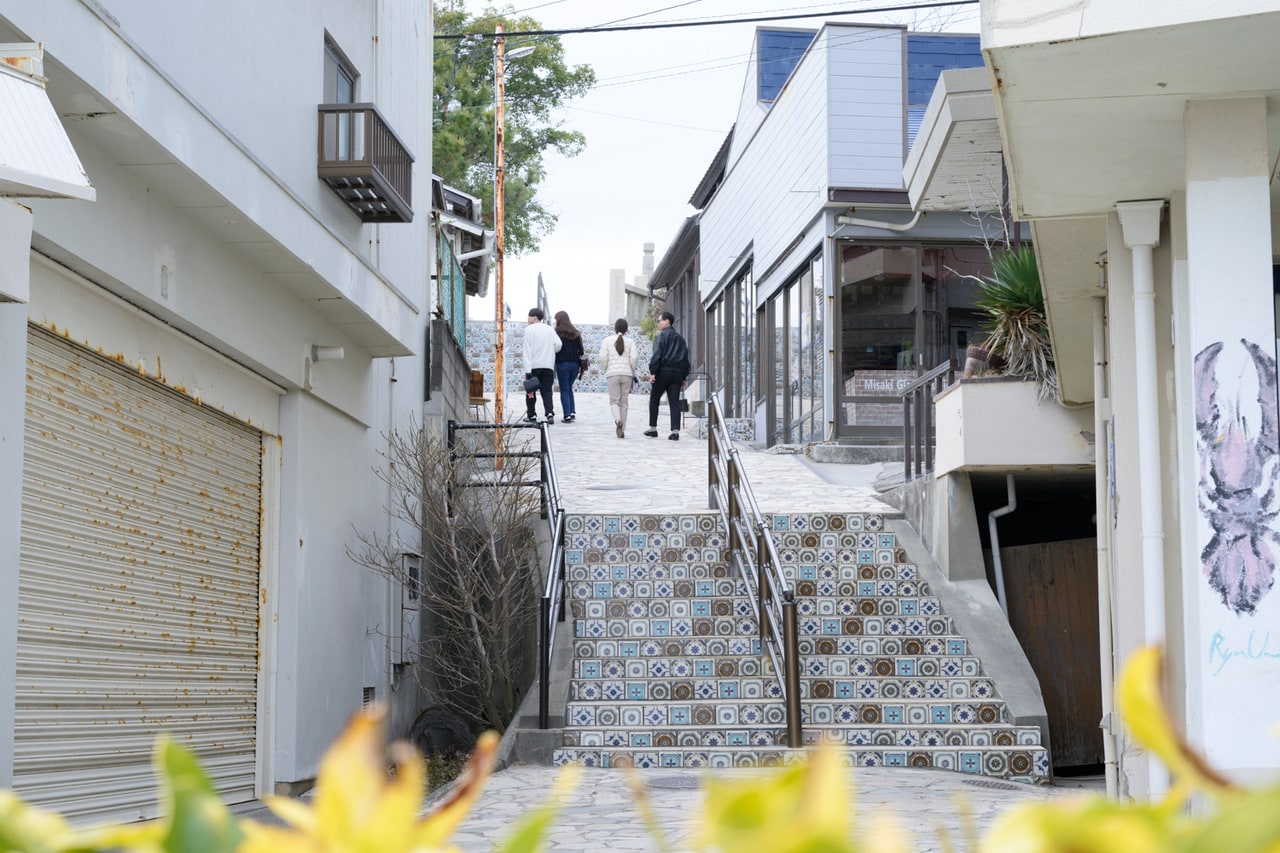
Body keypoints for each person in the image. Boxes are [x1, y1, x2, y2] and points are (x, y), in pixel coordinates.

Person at [644, 311, 691, 441]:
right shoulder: (680, 339)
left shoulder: (661, 336)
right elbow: (685, 359)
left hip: (663, 372)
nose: (658, 323)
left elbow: (657, 355)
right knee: (674, 402)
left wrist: (653, 372)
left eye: (659, 321)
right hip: (677, 374)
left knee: (654, 399)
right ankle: (675, 431)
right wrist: (683, 377)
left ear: (667, 321)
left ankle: (653, 429)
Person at [598, 318, 639, 438]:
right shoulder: (631, 342)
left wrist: (606, 368)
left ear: (615, 328)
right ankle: (623, 428)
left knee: (614, 401)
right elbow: (634, 358)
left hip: (612, 374)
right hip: (627, 375)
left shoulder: (607, 340)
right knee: (624, 402)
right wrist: (631, 368)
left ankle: (617, 420)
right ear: (626, 329)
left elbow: (602, 357)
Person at [522, 307, 560, 423]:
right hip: (547, 366)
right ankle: (549, 414)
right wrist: (550, 353)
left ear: (534, 317)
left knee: (531, 392)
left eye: (529, 316)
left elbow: (527, 350)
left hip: (533, 366)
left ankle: (531, 415)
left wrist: (527, 368)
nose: (528, 318)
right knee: (547, 391)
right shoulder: (549, 329)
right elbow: (558, 344)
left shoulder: (529, 330)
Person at [552, 310, 584, 423]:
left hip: (563, 364)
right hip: (575, 365)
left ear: (559, 320)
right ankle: (572, 412)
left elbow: (555, 348)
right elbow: (581, 350)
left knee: (564, 390)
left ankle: (567, 415)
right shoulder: (576, 333)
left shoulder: (556, 333)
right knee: (569, 388)